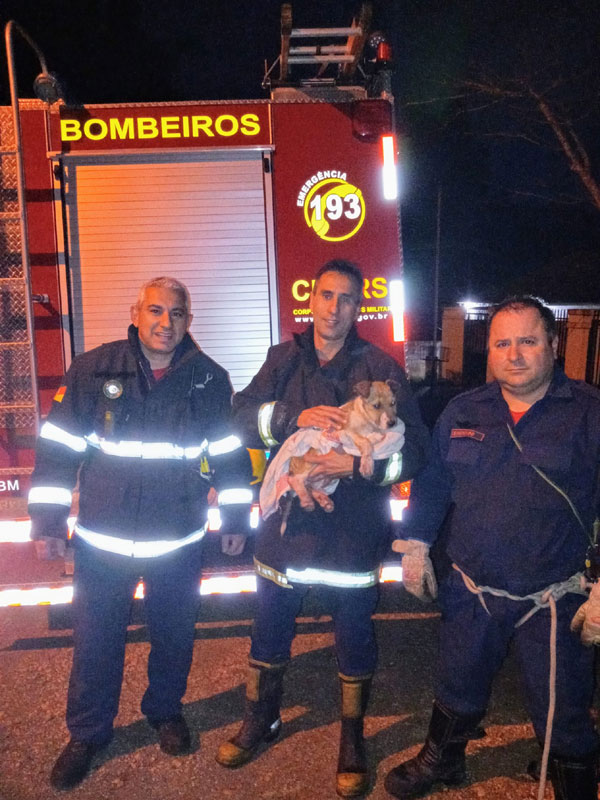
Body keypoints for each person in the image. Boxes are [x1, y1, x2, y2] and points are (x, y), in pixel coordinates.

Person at [28, 276, 252, 791]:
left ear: (188, 321)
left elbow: (229, 457)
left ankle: (165, 711)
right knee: (96, 643)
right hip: (102, 543)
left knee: (174, 638)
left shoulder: (208, 380)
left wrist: (236, 520)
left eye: (176, 314)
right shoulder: (95, 369)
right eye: (155, 311)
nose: (165, 323)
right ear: (136, 312)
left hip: (177, 542)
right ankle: (87, 733)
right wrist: (48, 521)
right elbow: (59, 448)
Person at [215, 260, 429, 797]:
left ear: (361, 306)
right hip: (286, 528)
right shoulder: (282, 361)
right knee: (268, 626)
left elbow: (417, 452)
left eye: (348, 299)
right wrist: (290, 418)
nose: (335, 308)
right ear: (311, 298)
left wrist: (360, 465)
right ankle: (261, 718)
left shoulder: (381, 366)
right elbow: (238, 416)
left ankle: (352, 737)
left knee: (354, 634)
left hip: (352, 530)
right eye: (327, 296)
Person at [385, 296, 600, 800]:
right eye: (503, 343)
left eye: (528, 340)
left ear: (553, 344)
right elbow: (435, 485)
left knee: (562, 705)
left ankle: (574, 782)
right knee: (457, 680)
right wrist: (415, 545)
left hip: (554, 600)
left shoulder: (589, 415)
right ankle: (444, 760)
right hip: (472, 590)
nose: (515, 354)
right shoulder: (464, 410)